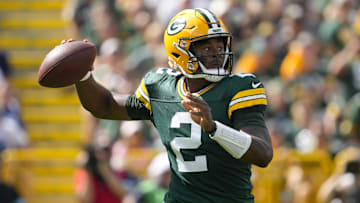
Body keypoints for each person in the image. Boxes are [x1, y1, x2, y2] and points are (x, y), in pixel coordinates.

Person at [66, 8, 273, 203]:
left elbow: (263, 154)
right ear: (180, 51)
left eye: (220, 46)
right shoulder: (161, 87)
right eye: (207, 47)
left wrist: (214, 128)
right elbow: (105, 106)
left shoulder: (240, 87)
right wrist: (83, 76)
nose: (218, 54)